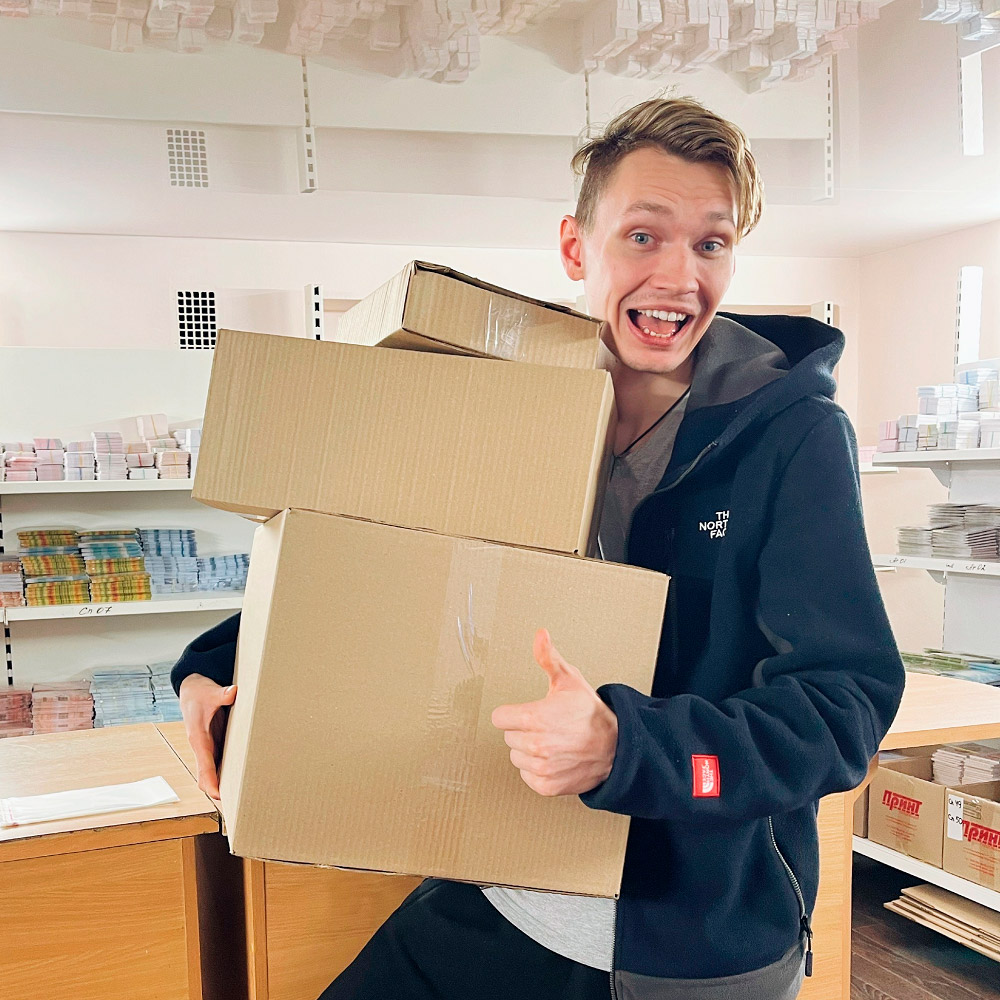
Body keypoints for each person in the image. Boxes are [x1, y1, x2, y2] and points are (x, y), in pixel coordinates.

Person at [173, 97, 905, 1000]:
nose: (679, 276)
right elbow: (382, 557)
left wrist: (628, 749)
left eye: (711, 243)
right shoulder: (514, 400)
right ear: (575, 247)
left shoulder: (792, 436)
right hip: (508, 880)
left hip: (686, 935)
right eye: (643, 236)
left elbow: (842, 711)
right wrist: (214, 667)